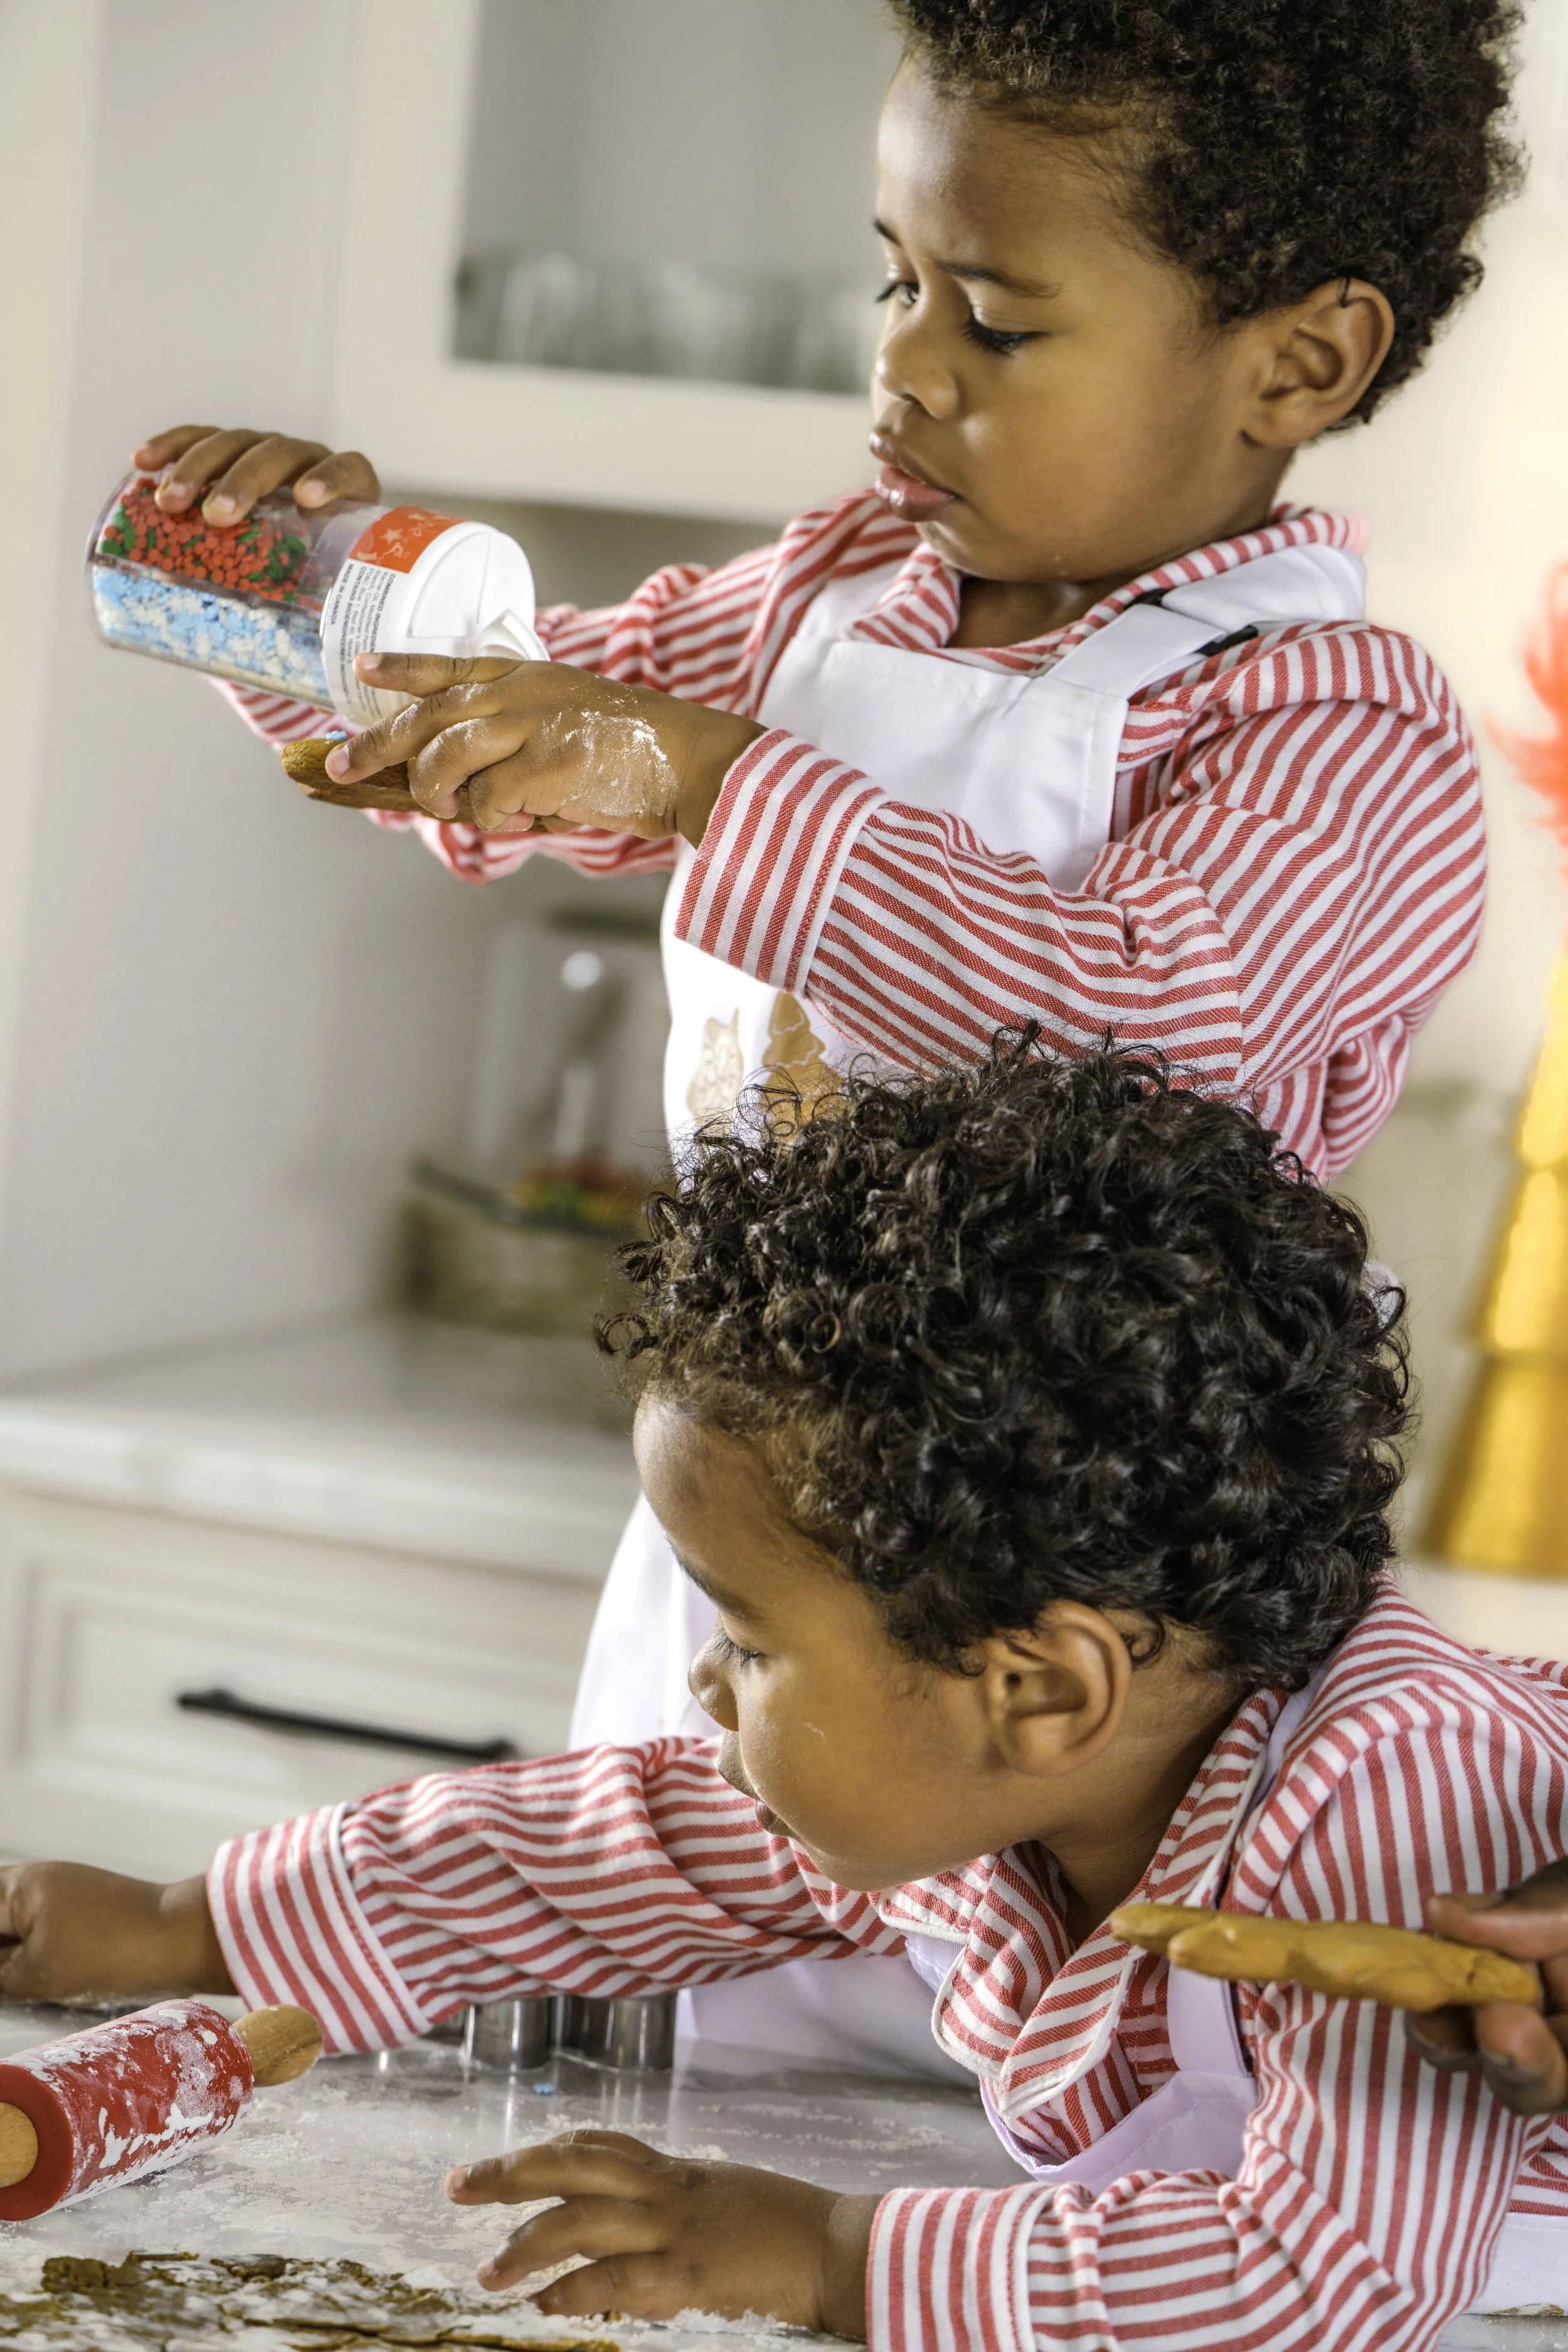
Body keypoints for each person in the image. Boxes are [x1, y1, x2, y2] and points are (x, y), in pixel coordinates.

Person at [129, 0, 1514, 2068]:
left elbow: (1156, 1030)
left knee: (1030, 2104)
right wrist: (272, 579)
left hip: (1045, 1638)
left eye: (998, 316)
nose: (906, 365)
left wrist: (708, 784)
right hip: (753, 1531)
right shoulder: (840, 600)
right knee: (682, 2069)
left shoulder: (1336, 729)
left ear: (1299, 359)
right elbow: (498, 721)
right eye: (893, 278)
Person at [1, 1042, 1563, 2338]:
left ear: (1038, 1686)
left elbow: (1322, 2285)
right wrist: (181, 1923)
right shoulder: (997, 1776)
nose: (702, 1682)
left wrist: (827, 2255)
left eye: (749, 1639)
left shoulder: (1392, 1815)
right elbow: (609, 1846)